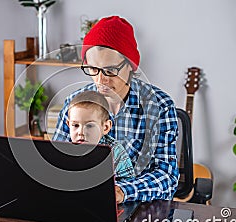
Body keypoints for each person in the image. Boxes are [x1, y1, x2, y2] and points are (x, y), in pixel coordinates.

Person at [53, 15, 179, 203]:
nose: (100, 81)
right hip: (82, 201)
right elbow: (58, 159)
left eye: (110, 70)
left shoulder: (159, 106)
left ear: (130, 66)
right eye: (93, 69)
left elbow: (167, 176)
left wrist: (123, 191)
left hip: (136, 206)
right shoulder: (74, 102)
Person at [67, 90, 135, 180]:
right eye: (75, 125)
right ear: (68, 124)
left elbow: (127, 182)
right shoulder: (65, 148)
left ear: (105, 127)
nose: (81, 132)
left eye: (90, 126)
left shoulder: (115, 151)